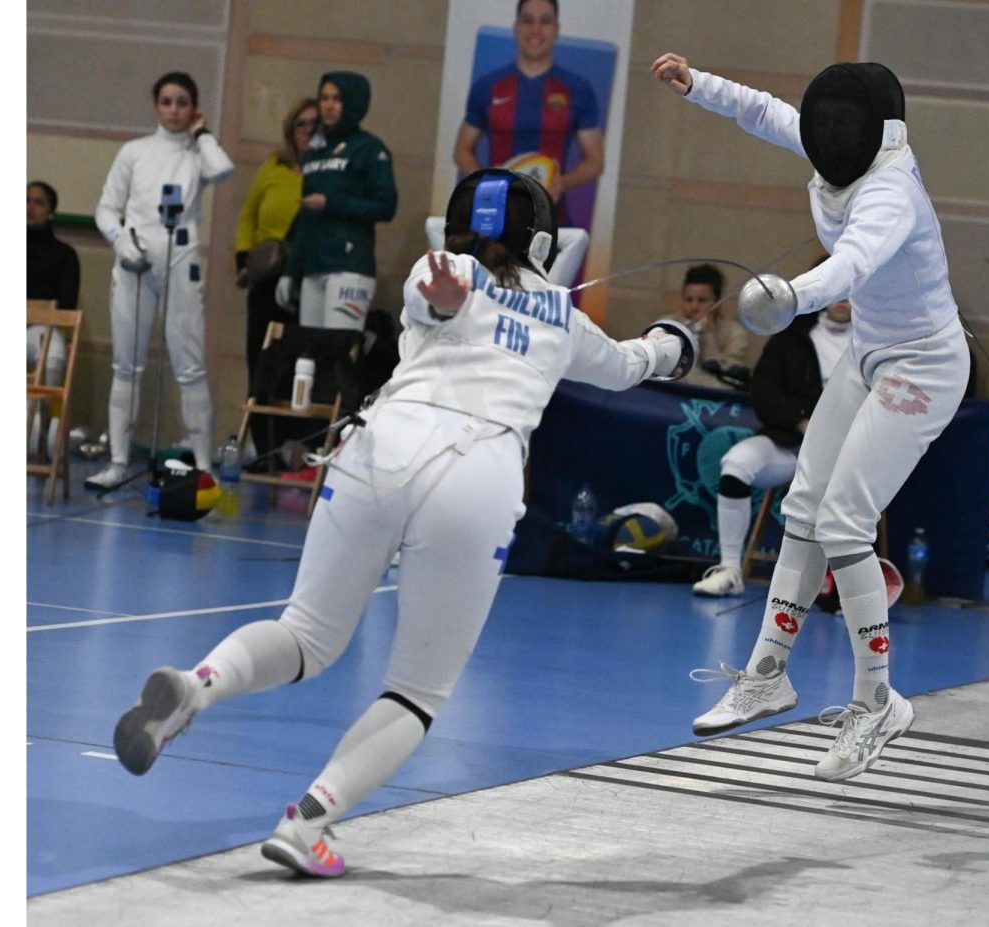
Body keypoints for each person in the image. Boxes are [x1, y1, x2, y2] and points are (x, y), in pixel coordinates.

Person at [112, 168, 696, 878]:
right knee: (417, 689)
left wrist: (449, 302)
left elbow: (437, 299)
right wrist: (675, 341)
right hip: (476, 471)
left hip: (378, 446)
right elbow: (633, 365)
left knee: (305, 631)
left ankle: (197, 684)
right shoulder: (560, 315)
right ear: (542, 237)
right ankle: (307, 823)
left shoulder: (438, 266)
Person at [654, 53, 970, 781]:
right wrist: (699, 84)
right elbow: (766, 111)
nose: (824, 133)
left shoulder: (889, 190)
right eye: (822, 122)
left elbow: (850, 266)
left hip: (923, 365)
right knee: (803, 506)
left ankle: (876, 703)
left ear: (874, 130)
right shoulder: (841, 151)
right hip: (869, 354)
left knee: (844, 522)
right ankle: (768, 671)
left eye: (838, 122)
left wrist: (787, 297)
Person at [86, 71, 234, 490]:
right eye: (167, 101)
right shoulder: (133, 152)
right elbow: (106, 209)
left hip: (182, 263)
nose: (173, 110)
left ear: (194, 107)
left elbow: (223, 170)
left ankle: (203, 468)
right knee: (126, 365)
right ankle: (117, 460)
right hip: (134, 265)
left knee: (190, 367)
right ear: (156, 105)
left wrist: (202, 133)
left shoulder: (199, 154)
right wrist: (120, 241)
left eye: (182, 102)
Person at [694, 291, 852, 596]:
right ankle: (729, 570)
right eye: (837, 292)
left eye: (852, 292)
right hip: (791, 442)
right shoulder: (790, 338)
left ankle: (829, 580)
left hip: (847, 453)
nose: (844, 300)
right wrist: (801, 423)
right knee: (737, 464)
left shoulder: (873, 343)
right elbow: (764, 391)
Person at [453, 0, 604, 226]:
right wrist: (486, 181)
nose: (535, 30)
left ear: (556, 29)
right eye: (528, 20)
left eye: (544, 21)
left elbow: (595, 161)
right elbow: (462, 149)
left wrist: (561, 182)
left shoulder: (577, 90)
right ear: (516, 27)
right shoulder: (487, 87)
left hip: (552, 220)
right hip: (494, 218)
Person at [275, 72, 397, 332]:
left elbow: (386, 206)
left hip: (349, 267)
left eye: (337, 99)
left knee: (337, 354)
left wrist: (332, 203)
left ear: (353, 102)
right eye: (324, 98)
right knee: (308, 355)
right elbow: (307, 217)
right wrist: (290, 271)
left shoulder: (370, 149)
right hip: (313, 267)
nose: (328, 105)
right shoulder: (315, 152)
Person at [234, 97, 317, 381]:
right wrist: (243, 259)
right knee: (260, 357)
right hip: (268, 273)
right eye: (300, 124)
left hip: (307, 277)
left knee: (295, 364)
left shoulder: (328, 172)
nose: (307, 130)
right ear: (291, 131)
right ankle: (256, 423)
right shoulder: (274, 167)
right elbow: (248, 215)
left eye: (314, 124)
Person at [27, 180, 80, 387]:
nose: (29, 207)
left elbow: (67, 304)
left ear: (50, 212)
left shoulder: (64, 255)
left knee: (53, 354)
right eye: (25, 200)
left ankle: (38, 416)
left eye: (39, 203)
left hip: (41, 327)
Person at [666, 263, 751, 390]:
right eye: (689, 300)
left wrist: (708, 334)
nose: (694, 307)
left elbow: (728, 380)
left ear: (717, 302)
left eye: (702, 300)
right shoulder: (668, 324)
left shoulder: (735, 333)